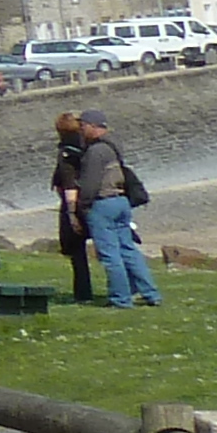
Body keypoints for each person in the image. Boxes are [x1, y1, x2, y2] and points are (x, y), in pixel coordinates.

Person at [74, 112, 162, 307]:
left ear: (93, 126)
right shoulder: (114, 145)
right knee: (128, 250)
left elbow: (90, 183)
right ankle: (151, 294)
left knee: (110, 255)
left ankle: (121, 299)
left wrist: (82, 207)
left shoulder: (96, 151)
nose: (80, 130)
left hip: (103, 203)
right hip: (121, 201)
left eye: (82, 126)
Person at [51, 112, 97, 303]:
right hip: (95, 199)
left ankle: (83, 293)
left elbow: (69, 184)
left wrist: (71, 213)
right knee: (113, 246)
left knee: (77, 253)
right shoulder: (88, 148)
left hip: (76, 204)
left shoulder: (67, 153)